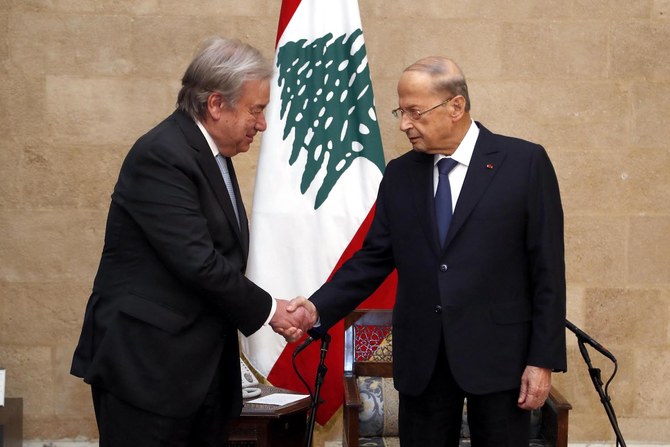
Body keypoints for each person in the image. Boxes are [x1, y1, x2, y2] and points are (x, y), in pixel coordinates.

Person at [290, 57, 567, 446]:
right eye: (401, 112)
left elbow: (548, 271)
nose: (404, 124)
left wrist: (542, 361)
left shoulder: (524, 163)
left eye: (414, 112)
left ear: (455, 107)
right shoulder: (401, 174)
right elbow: (374, 258)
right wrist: (317, 308)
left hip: (500, 361)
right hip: (424, 361)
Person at [70, 36, 312, 447]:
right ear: (216, 104)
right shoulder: (162, 154)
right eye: (256, 109)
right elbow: (197, 261)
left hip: (198, 377)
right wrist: (273, 310)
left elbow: (223, 258)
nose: (263, 123)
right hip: (147, 374)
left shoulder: (211, 154)